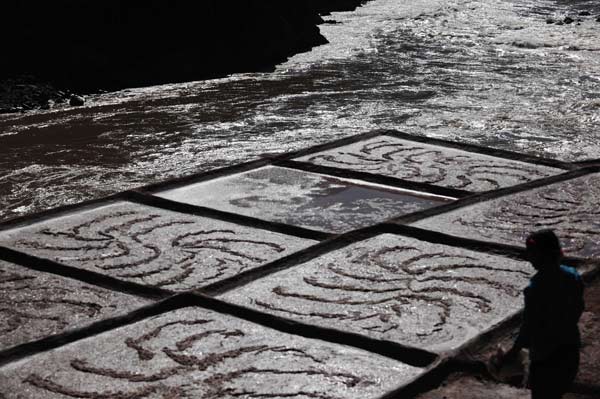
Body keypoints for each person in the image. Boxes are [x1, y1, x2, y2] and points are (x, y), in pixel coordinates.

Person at [494, 229, 584, 399]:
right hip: (570, 350)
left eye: (532, 254)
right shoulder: (573, 277)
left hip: (546, 357)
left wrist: (512, 353)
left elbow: (529, 327)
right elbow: (578, 310)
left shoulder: (535, 289)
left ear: (540, 256)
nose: (529, 258)